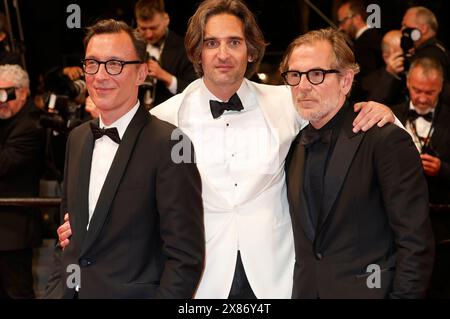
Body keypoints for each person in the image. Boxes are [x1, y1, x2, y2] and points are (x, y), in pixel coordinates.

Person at [57, 0, 396, 299]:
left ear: (250, 51)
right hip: (199, 280)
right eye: (211, 43)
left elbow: (338, 116)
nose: (222, 54)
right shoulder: (164, 118)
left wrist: (382, 112)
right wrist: (81, 225)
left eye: (234, 42)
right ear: (197, 54)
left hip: (276, 276)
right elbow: (117, 180)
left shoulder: (287, 102)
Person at [44, 19, 204, 299]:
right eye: (92, 63)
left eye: (115, 64)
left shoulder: (171, 144)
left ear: (141, 73)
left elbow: (185, 259)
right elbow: (67, 237)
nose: (100, 75)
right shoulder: (77, 139)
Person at [281, 28, 434, 298]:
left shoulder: (385, 140)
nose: (302, 86)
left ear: (346, 80)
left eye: (316, 74)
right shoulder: (293, 146)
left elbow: (415, 243)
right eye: (295, 75)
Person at [391, 57, 450, 298]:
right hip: (399, 222)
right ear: (407, 83)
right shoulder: (391, 115)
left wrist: (443, 169)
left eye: (430, 92)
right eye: (417, 90)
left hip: (444, 225)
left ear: (442, 87)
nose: (423, 98)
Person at [0, 64, 45, 298]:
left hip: (13, 230)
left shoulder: (31, 123)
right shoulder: (8, 120)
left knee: (17, 292)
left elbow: (4, 164)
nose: (1, 100)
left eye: (7, 93)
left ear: (24, 91)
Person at [135, 0, 197, 108]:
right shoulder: (130, 44)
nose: (149, 35)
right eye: (143, 28)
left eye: (154, 28)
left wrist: (164, 76)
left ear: (166, 19)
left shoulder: (185, 48)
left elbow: (195, 91)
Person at [337, 0, 383, 101]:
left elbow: (367, 79)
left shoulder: (365, 42)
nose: (340, 27)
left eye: (343, 21)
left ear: (357, 18)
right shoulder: (374, 36)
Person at [401, 6, 450, 80]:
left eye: (405, 25)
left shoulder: (430, 55)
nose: (402, 30)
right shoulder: (435, 49)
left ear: (423, 29)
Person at [361, 30, 408, 106]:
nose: (407, 58)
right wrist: (390, 74)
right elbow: (373, 107)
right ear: (386, 57)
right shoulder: (370, 81)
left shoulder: (416, 71)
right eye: (402, 55)